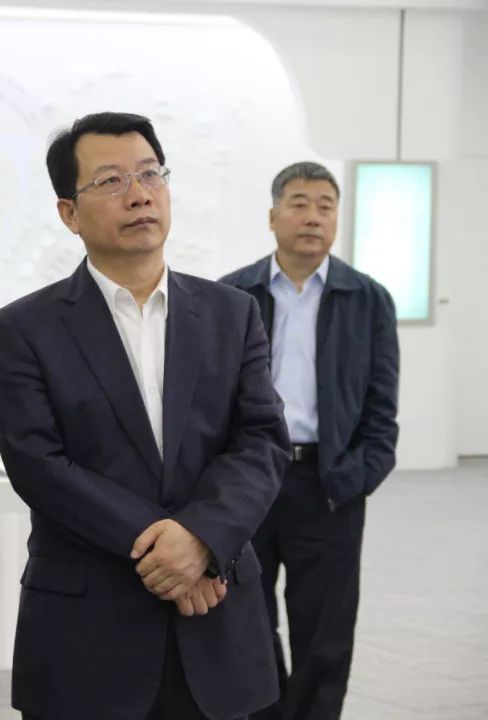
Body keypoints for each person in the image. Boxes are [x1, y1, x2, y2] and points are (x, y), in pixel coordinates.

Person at [0, 112, 291, 720]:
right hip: (87, 631)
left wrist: (202, 539)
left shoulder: (232, 314)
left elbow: (261, 440)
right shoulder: (24, 328)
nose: (139, 194)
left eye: (151, 174)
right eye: (110, 181)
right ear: (69, 213)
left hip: (216, 618)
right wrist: (169, 549)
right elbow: (39, 465)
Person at [220, 161, 399, 720]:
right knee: (246, 621)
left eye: (326, 206)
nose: (313, 217)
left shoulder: (367, 299)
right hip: (250, 479)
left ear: (338, 219)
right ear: (273, 216)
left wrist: (357, 477)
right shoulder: (232, 295)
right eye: (299, 204)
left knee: (325, 631)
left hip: (329, 483)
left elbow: (382, 407)